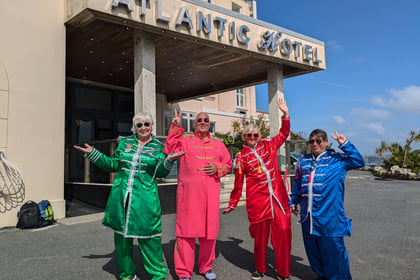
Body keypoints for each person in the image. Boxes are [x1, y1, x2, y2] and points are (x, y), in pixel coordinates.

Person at [74, 112, 185, 280]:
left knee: (150, 239)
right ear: (134, 127)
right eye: (139, 125)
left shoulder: (157, 146)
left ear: (152, 126)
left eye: (146, 124)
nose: (143, 128)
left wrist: (169, 160)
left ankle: (157, 275)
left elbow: (159, 172)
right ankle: (127, 275)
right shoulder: (125, 143)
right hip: (121, 199)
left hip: (145, 200)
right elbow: (112, 165)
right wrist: (93, 153)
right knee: (122, 240)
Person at [223, 98, 291, 280]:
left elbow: (284, 134)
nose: (252, 138)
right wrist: (232, 203)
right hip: (258, 203)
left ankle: (283, 271)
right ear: (244, 137)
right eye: (249, 135)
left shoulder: (269, 145)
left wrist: (285, 114)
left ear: (259, 136)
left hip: (277, 198)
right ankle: (260, 269)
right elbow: (238, 183)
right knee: (260, 239)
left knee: (283, 232)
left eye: (255, 135)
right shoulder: (241, 157)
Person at [164, 110, 232, 280]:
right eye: (199, 120)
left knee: (209, 235)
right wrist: (175, 126)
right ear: (194, 124)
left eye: (206, 120)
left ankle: (206, 267)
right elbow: (169, 149)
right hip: (188, 198)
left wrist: (218, 168)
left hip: (210, 196)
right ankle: (183, 272)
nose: (203, 122)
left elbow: (228, 163)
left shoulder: (219, 144)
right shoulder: (185, 141)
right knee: (185, 235)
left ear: (209, 123)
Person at [288, 129, 364, 280]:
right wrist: (293, 201)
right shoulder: (303, 162)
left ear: (325, 142)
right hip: (307, 217)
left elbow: (358, 161)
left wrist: (345, 144)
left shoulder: (337, 159)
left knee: (334, 253)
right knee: (314, 252)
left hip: (330, 217)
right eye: (311, 141)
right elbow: (297, 185)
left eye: (318, 141)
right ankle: (323, 276)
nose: (314, 144)